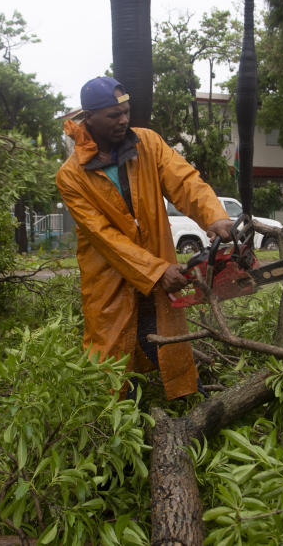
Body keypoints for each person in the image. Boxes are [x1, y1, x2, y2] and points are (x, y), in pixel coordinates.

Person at [56, 76, 233, 400]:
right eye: (113, 115)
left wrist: (215, 215)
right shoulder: (71, 176)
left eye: (126, 111)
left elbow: (185, 181)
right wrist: (155, 271)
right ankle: (117, 421)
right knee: (112, 350)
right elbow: (103, 237)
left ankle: (192, 401)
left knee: (164, 336)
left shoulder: (147, 144)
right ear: (90, 117)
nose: (123, 119)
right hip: (109, 275)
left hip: (155, 264)